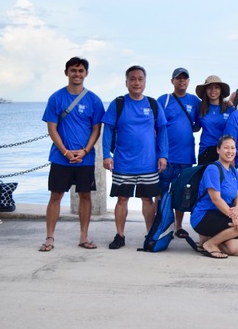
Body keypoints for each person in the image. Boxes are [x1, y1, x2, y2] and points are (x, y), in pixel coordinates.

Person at [39, 56, 105, 251]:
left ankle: (84, 237)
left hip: (85, 159)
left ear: (86, 74)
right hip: (61, 158)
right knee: (56, 196)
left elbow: (96, 129)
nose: (77, 74)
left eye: (81, 70)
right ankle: (49, 238)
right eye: (73, 70)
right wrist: (66, 152)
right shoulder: (56, 98)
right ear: (66, 72)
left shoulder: (93, 99)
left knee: (85, 196)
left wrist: (84, 151)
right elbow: (52, 129)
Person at [102, 65, 168, 249]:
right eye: (132, 79)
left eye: (140, 79)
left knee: (147, 200)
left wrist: (163, 155)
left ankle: (150, 236)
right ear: (126, 82)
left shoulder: (153, 104)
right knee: (122, 199)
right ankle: (119, 236)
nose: (136, 82)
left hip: (148, 163)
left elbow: (162, 131)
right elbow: (107, 130)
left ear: (145, 82)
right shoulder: (118, 103)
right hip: (123, 163)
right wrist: (106, 155)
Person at [157, 67, 201, 239]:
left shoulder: (194, 101)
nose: (182, 81)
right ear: (172, 81)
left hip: (186, 156)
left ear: (188, 81)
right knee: (161, 192)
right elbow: (156, 127)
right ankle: (160, 224)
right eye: (178, 78)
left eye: (185, 78)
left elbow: (198, 124)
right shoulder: (164, 100)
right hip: (166, 157)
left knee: (182, 193)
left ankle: (178, 226)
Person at [190, 135, 238, 258]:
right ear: (218, 150)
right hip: (204, 215)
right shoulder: (213, 169)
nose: (230, 151)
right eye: (226, 148)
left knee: (237, 249)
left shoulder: (233, 170)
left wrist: (237, 209)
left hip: (221, 214)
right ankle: (210, 244)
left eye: (233, 148)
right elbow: (215, 199)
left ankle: (206, 240)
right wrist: (234, 217)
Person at [196, 75, 233, 165]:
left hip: (224, 151)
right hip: (205, 151)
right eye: (209, 88)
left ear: (221, 90)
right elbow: (195, 127)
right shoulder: (200, 108)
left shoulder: (229, 109)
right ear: (205, 90)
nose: (213, 91)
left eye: (216, 87)